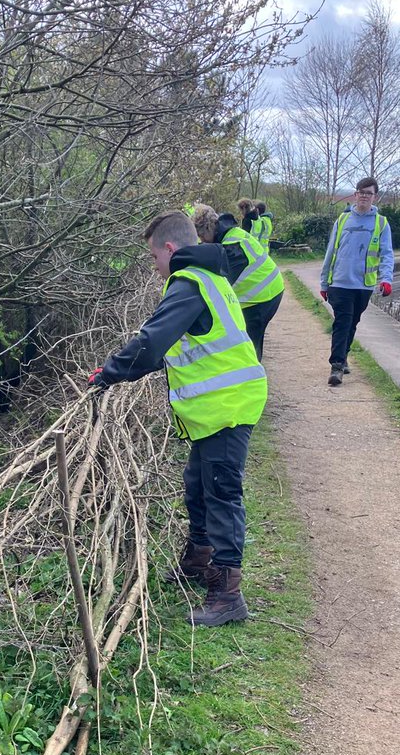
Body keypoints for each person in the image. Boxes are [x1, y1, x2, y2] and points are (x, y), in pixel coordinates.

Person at [87, 210, 267, 626]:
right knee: (198, 487)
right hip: (216, 409)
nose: (153, 267)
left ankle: (227, 595)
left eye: (153, 257)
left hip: (229, 406)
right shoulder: (210, 278)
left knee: (221, 493)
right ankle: (200, 560)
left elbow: (151, 346)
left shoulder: (189, 285)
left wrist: (105, 375)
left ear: (170, 248)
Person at [320, 177, 394, 387]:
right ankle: (336, 366)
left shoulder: (381, 223)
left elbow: (387, 253)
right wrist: (324, 282)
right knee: (342, 322)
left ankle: (343, 357)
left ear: (374, 197)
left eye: (368, 193)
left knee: (352, 323)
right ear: (355, 195)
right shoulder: (342, 220)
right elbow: (330, 252)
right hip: (340, 283)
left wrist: (386, 279)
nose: (364, 196)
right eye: (361, 192)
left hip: (363, 286)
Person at [192, 203, 283, 361]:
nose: (201, 240)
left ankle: (253, 378)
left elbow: (222, 282)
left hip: (263, 297)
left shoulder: (233, 246)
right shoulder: (229, 234)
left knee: (246, 346)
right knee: (251, 340)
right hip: (268, 290)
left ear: (208, 228)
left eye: (201, 236)